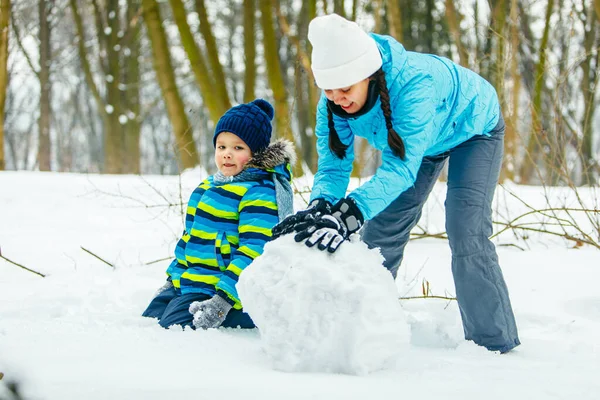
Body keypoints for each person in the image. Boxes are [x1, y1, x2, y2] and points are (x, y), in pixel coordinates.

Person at [272, 14, 520, 353]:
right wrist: (322, 206)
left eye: (346, 89)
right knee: (382, 228)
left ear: (369, 76)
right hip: (416, 143)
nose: (338, 98)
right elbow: (333, 166)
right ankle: (365, 324)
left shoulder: (413, 85)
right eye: (329, 91)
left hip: (472, 129)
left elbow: (401, 170)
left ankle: (494, 343)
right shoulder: (331, 103)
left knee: (466, 228)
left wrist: (351, 211)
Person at [143, 99, 295, 330]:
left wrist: (223, 300)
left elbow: (255, 251)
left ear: (256, 152)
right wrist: (172, 279)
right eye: (221, 147)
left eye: (238, 148)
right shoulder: (207, 188)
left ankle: (248, 317)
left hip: (224, 290)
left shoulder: (258, 192)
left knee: (172, 328)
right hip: (191, 282)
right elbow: (189, 240)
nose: (227, 154)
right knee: (149, 317)